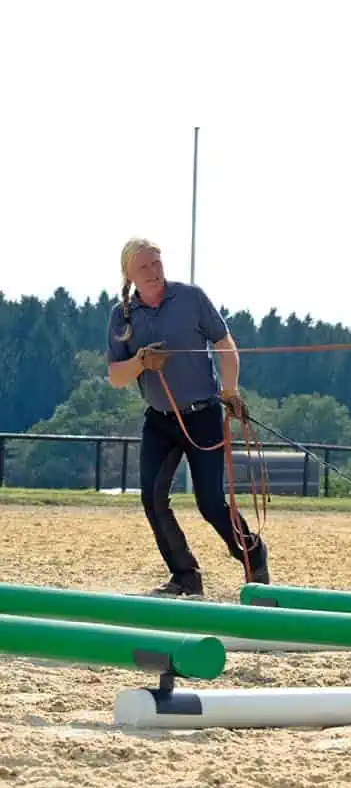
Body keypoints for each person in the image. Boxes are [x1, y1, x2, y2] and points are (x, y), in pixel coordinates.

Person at [106, 237, 270, 596]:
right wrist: (141, 362)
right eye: (143, 267)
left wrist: (230, 391)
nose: (152, 272)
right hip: (160, 420)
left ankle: (253, 558)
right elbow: (116, 376)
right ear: (129, 275)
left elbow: (225, 346)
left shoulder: (192, 298)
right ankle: (185, 575)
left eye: (155, 263)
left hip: (203, 415)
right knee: (152, 498)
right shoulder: (121, 316)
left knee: (211, 503)